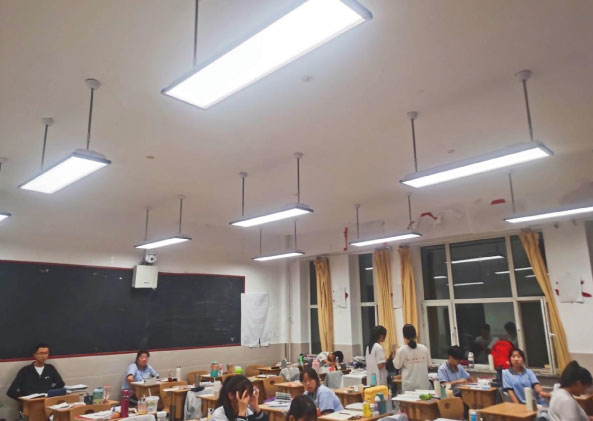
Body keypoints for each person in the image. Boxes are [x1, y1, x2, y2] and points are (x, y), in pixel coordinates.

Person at [393, 324, 430, 392]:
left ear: (404, 336)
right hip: (423, 386)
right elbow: (428, 365)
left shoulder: (402, 350)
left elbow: (397, 366)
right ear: (415, 335)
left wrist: (395, 351)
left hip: (409, 387)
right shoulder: (424, 348)